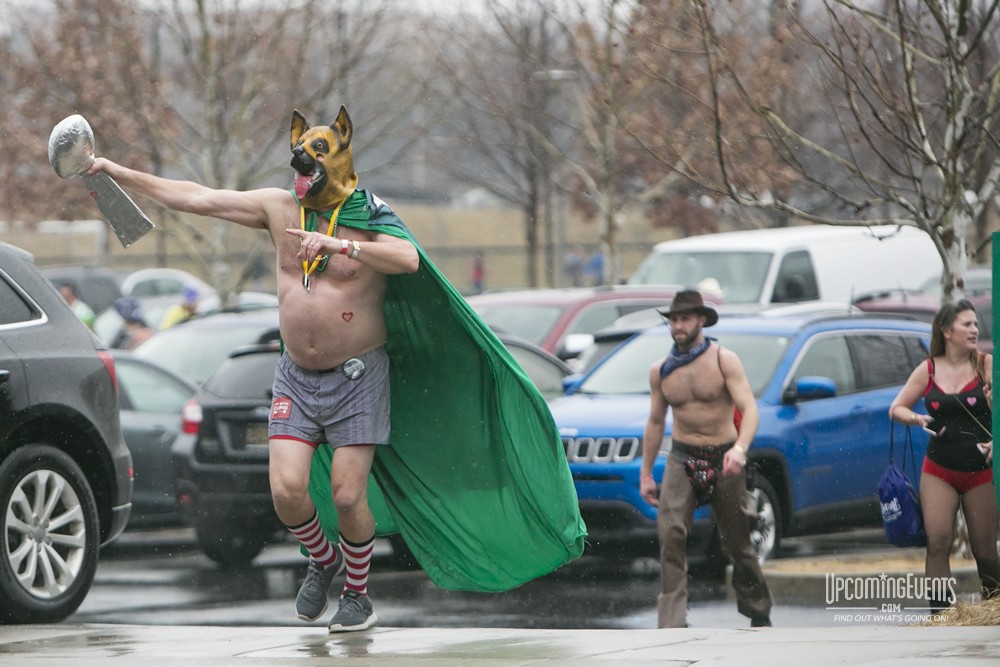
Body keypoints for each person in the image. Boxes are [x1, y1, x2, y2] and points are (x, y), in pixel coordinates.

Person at [87, 110, 421, 634]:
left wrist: (342, 245)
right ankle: (322, 558)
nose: (300, 177)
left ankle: (358, 594)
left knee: (347, 495)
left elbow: (410, 259)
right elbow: (196, 195)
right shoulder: (278, 207)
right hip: (296, 375)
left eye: (312, 164)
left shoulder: (368, 212)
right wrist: (116, 171)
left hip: (357, 376)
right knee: (287, 490)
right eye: (297, 166)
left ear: (337, 158)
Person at [639, 289, 773, 628]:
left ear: (701, 320)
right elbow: (655, 422)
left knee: (738, 541)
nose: (678, 325)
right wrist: (645, 473)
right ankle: (671, 623)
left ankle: (758, 610)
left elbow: (750, 410)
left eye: (685, 318)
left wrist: (739, 450)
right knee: (671, 535)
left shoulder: (722, 359)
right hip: (682, 457)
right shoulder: (661, 370)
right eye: (673, 319)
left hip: (723, 454)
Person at [889, 299, 1000, 613]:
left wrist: (992, 404)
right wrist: (917, 419)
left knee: (985, 550)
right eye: (967, 324)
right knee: (938, 541)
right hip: (939, 469)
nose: (974, 329)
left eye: (976, 324)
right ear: (946, 330)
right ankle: (941, 614)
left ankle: (994, 610)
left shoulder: (986, 364)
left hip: (982, 469)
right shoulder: (929, 368)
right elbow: (896, 408)